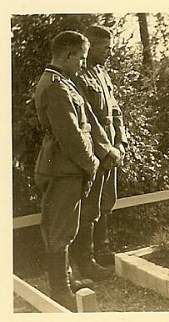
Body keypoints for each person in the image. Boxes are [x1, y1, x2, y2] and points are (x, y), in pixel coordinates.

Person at [34, 31, 119, 311]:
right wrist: (92, 163)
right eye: (81, 58)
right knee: (60, 230)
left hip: (68, 168)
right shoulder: (57, 87)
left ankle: (67, 281)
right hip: (63, 169)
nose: (83, 64)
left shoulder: (63, 83)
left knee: (66, 228)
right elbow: (71, 136)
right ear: (68, 55)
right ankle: (60, 291)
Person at [70, 25, 128, 281]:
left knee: (107, 201)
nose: (110, 53)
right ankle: (86, 260)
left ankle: (102, 250)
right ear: (90, 47)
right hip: (94, 150)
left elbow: (115, 110)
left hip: (112, 147)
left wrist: (122, 141)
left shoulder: (102, 73)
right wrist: (106, 150)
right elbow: (89, 119)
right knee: (89, 206)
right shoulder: (78, 76)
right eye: (106, 48)